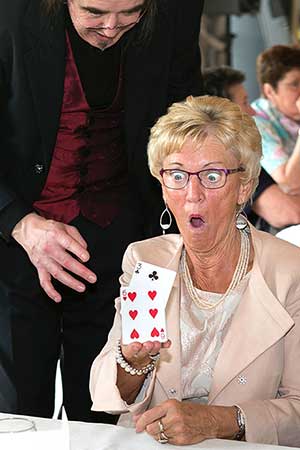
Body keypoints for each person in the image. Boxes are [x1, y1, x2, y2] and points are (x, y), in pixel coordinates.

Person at [0, 0, 204, 421]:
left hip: (129, 240)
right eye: (94, 12)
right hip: (14, 234)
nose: (111, 28)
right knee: (17, 414)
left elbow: (185, 116)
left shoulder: (176, 10)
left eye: (131, 13)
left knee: (112, 404)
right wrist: (18, 221)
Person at [90, 96, 300, 446]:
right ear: (162, 186)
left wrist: (217, 421)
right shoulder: (147, 262)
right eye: (176, 175)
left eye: (213, 176)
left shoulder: (289, 272)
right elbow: (110, 396)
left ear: (244, 187)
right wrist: (132, 360)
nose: (193, 194)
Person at [203, 65, 300, 232]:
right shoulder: (230, 165)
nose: (252, 111)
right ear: (224, 113)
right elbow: (290, 213)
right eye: (245, 103)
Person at [252, 45, 300, 195]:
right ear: (269, 91)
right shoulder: (257, 124)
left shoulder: (292, 112)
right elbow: (290, 184)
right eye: (295, 84)